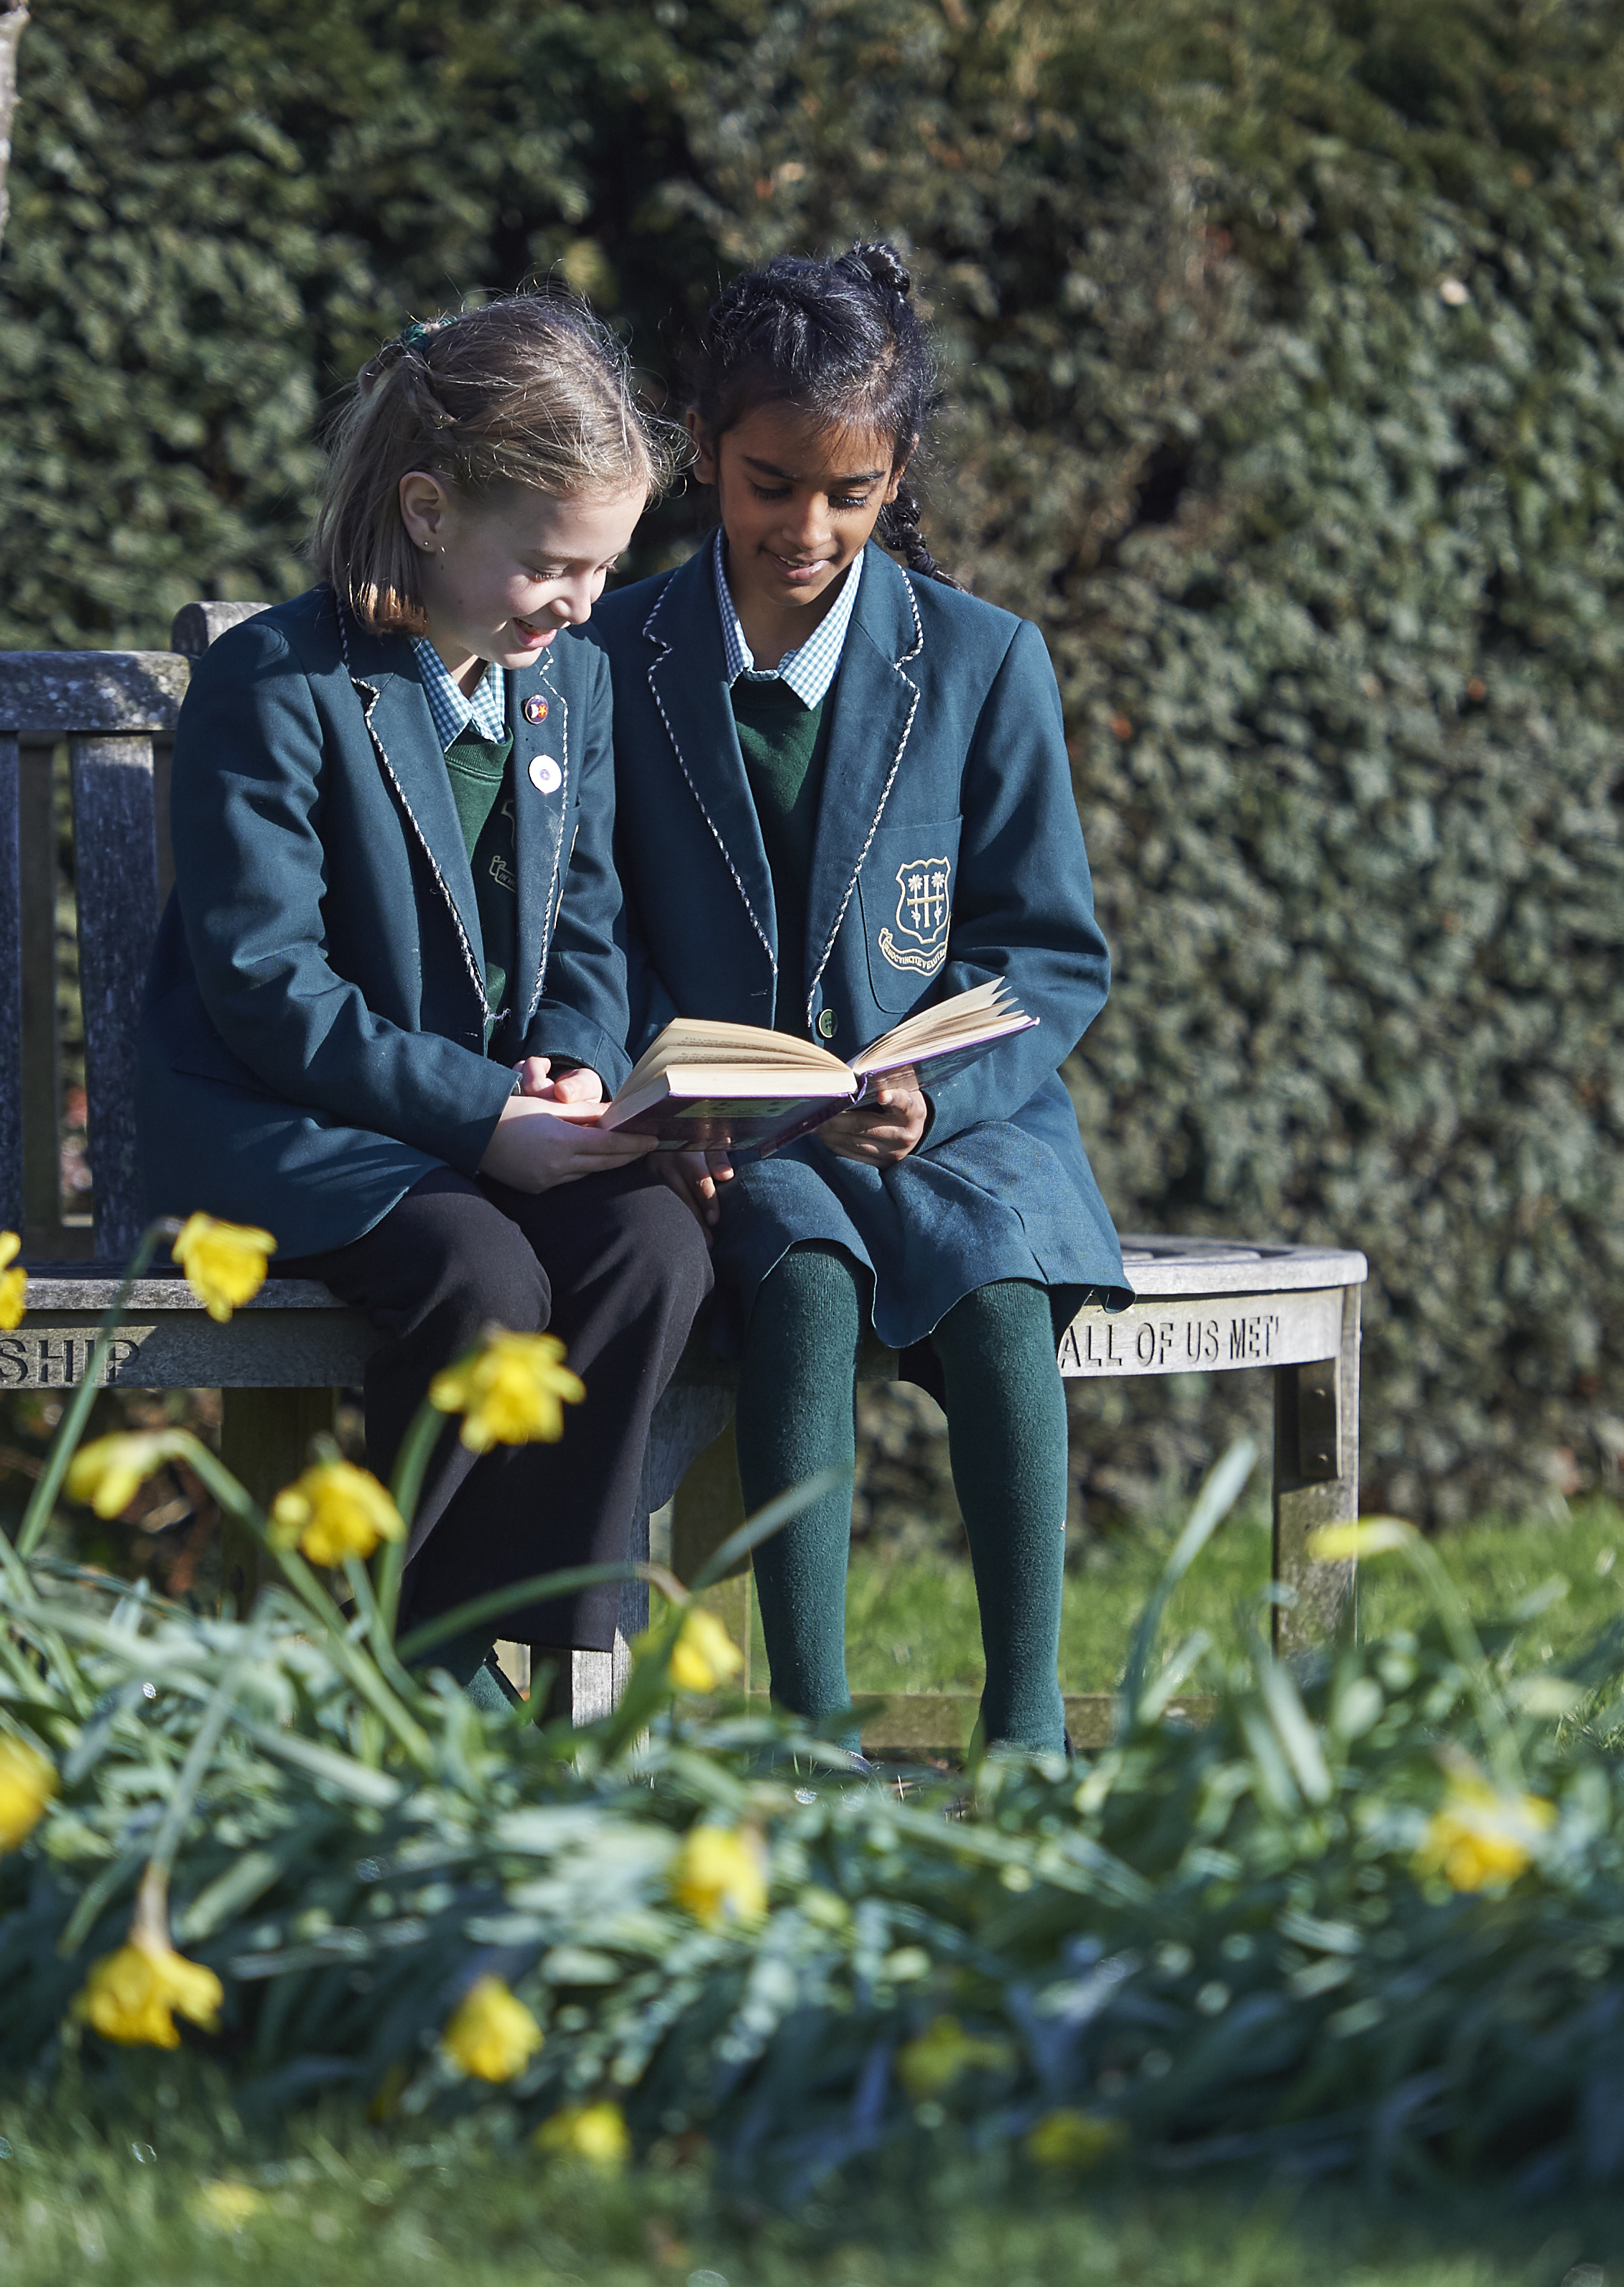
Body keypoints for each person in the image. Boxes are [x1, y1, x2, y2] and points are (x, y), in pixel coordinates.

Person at [583, 242, 1126, 1757]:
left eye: (851, 492)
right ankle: (809, 1733)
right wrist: (651, 1092)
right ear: (701, 453)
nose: (804, 528)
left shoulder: (982, 659)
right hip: (733, 1132)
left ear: (897, 479)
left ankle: (1028, 1727)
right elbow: (580, 919)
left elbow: (1050, 948)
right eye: (769, 483)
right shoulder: (614, 656)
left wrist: (937, 1089)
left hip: (957, 1122)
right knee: (801, 1281)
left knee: (1000, 1284)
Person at [135, 292, 708, 1697]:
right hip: (293, 1118)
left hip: (490, 1120)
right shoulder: (276, 684)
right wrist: (476, 1115)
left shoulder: (563, 682)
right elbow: (268, 985)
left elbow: (587, 927)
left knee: (656, 1251)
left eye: (602, 567)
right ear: (431, 511)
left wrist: (576, 1062)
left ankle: (546, 1638)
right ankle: (412, 1647)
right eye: (552, 565)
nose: (581, 603)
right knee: (481, 1275)